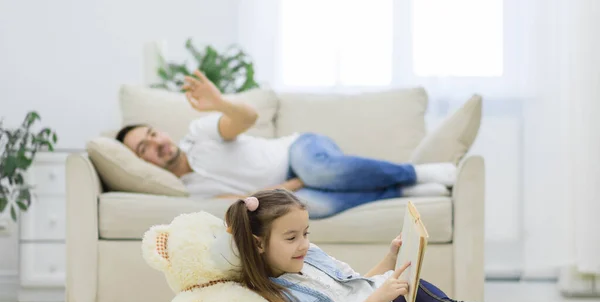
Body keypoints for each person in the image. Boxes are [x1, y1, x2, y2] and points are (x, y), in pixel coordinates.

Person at [224, 189, 592, 302]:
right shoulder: (275, 296)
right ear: (257, 245)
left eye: (306, 233)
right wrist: (375, 301)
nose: (304, 244)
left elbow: (356, 285)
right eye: (291, 238)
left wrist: (388, 260)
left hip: (400, 297)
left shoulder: (311, 255)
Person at [117, 69, 458, 219]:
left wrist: (220, 103)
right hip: (287, 187)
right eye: (142, 149)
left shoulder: (199, 133)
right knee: (310, 208)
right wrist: (294, 187)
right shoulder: (191, 191)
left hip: (300, 151)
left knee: (320, 169)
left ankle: (414, 173)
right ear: (142, 163)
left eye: (151, 135)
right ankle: (398, 192)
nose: (155, 144)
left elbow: (246, 119)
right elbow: (247, 201)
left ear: (160, 131)